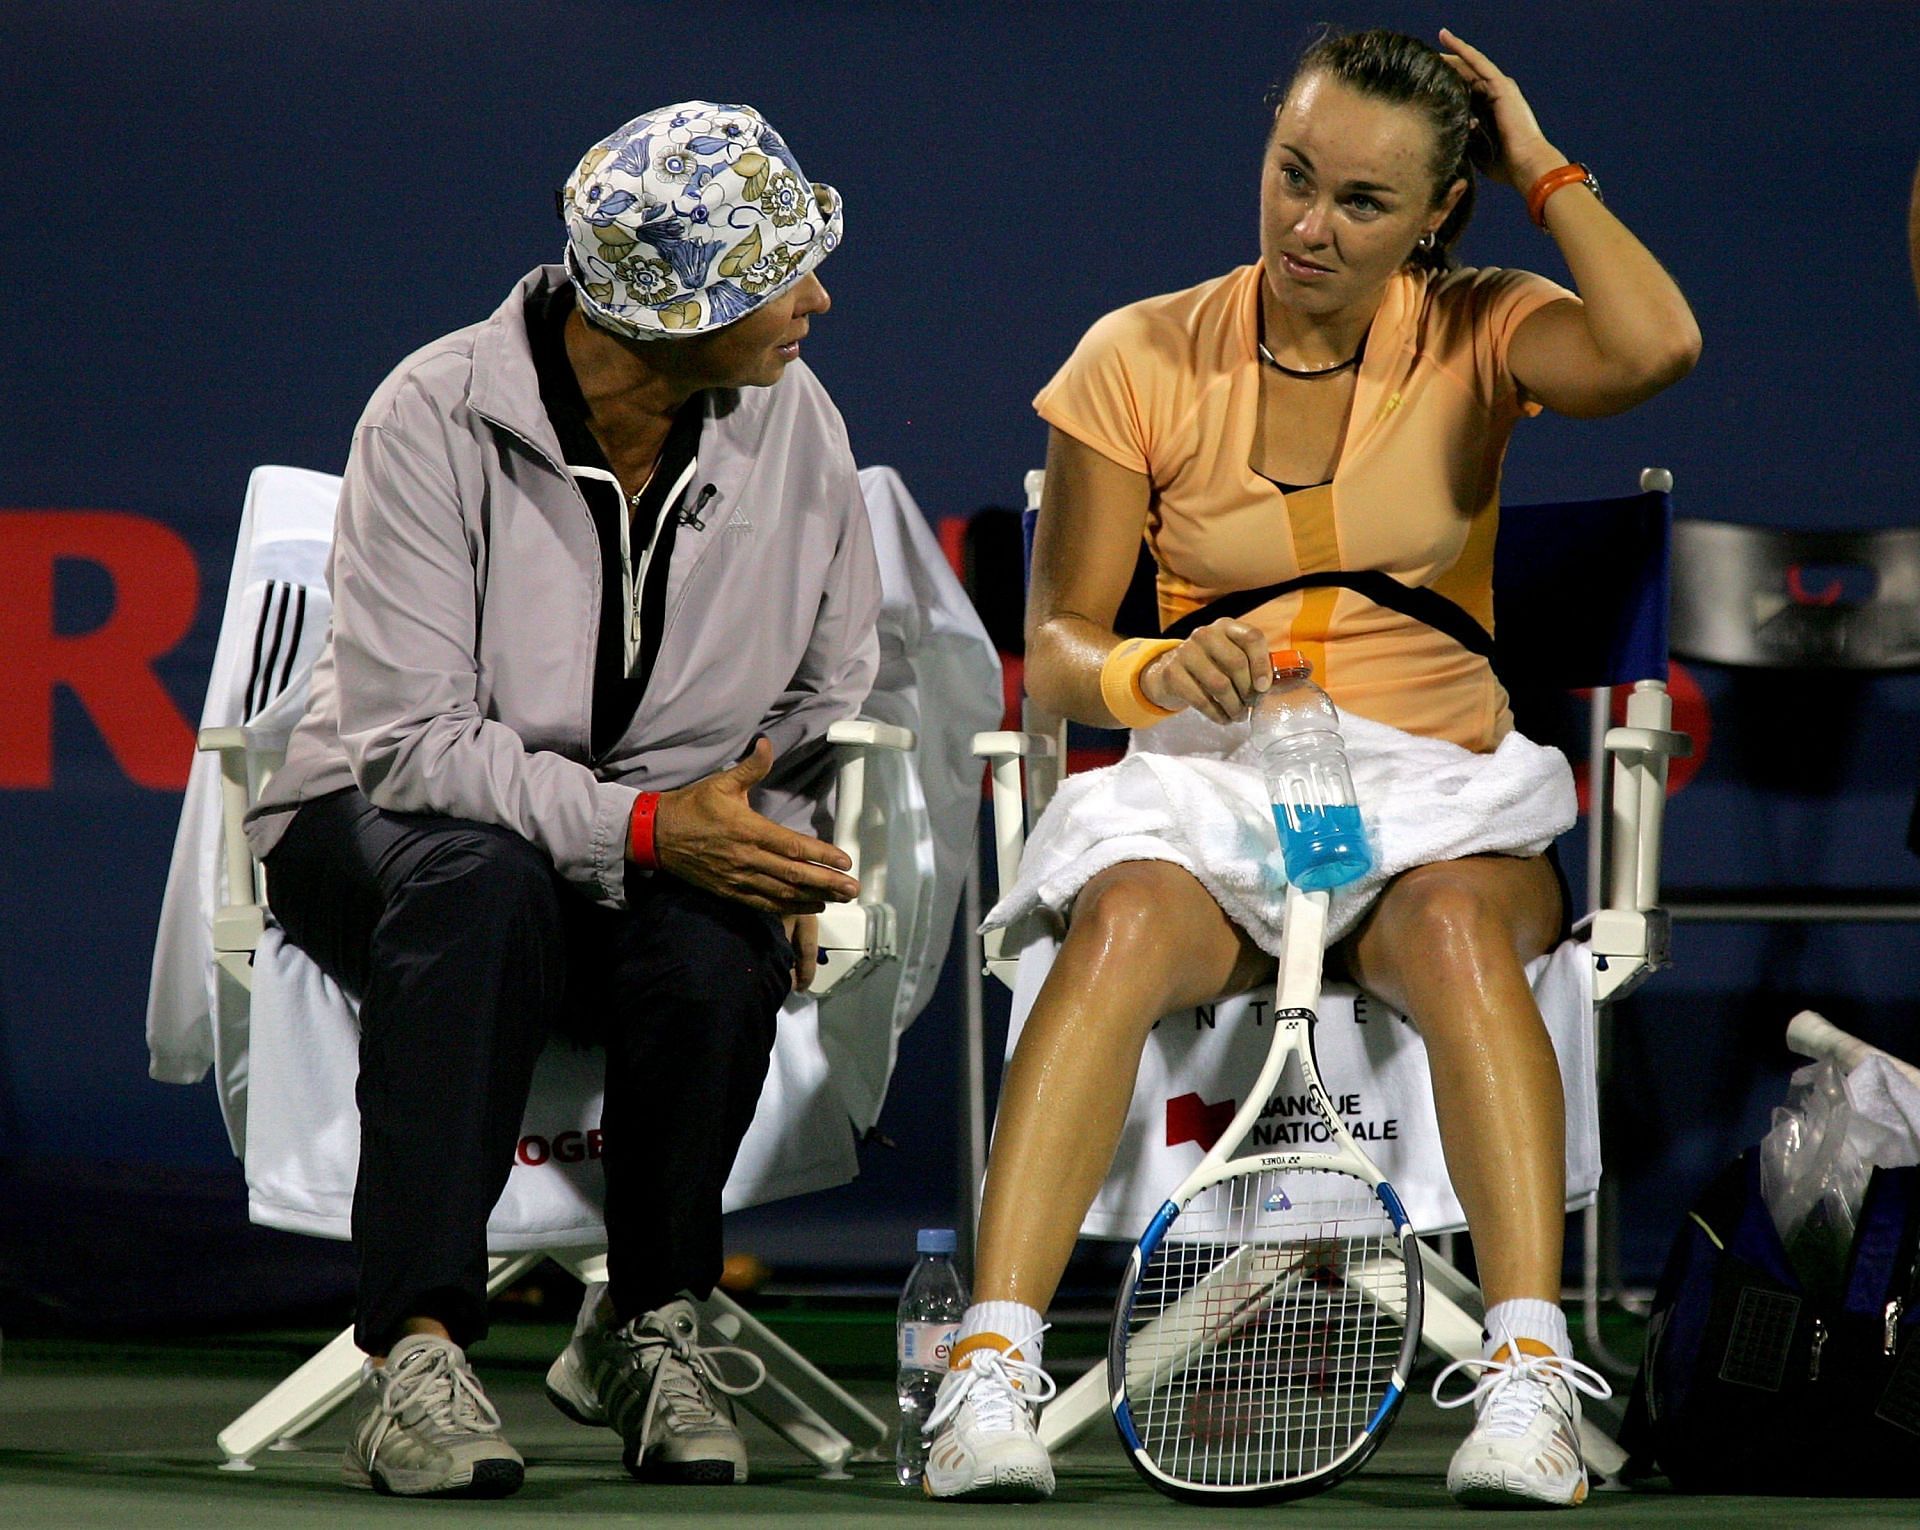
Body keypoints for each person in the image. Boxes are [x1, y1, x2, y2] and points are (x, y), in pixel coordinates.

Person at [922, 28, 1699, 1510]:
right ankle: (988, 1371)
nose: (1306, 226)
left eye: (1358, 201)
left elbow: (1659, 343)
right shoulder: (1135, 355)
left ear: (1434, 218)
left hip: (1437, 791)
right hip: (1211, 779)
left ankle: (1528, 1374)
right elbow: (1065, 642)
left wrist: (1541, 161)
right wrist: (1150, 668)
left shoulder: (1485, 327)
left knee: (1465, 932)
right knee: (1125, 923)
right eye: (1291, 175)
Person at [244, 102, 881, 1498]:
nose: (817, 301)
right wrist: (647, 825)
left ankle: (649, 1322)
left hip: (655, 827)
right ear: (664, 314)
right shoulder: (430, 414)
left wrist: (734, 827)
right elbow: (410, 743)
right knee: (482, 882)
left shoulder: (798, 422)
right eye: (779, 274)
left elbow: (827, 688)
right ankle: (412, 1352)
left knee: (715, 938)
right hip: (376, 822)